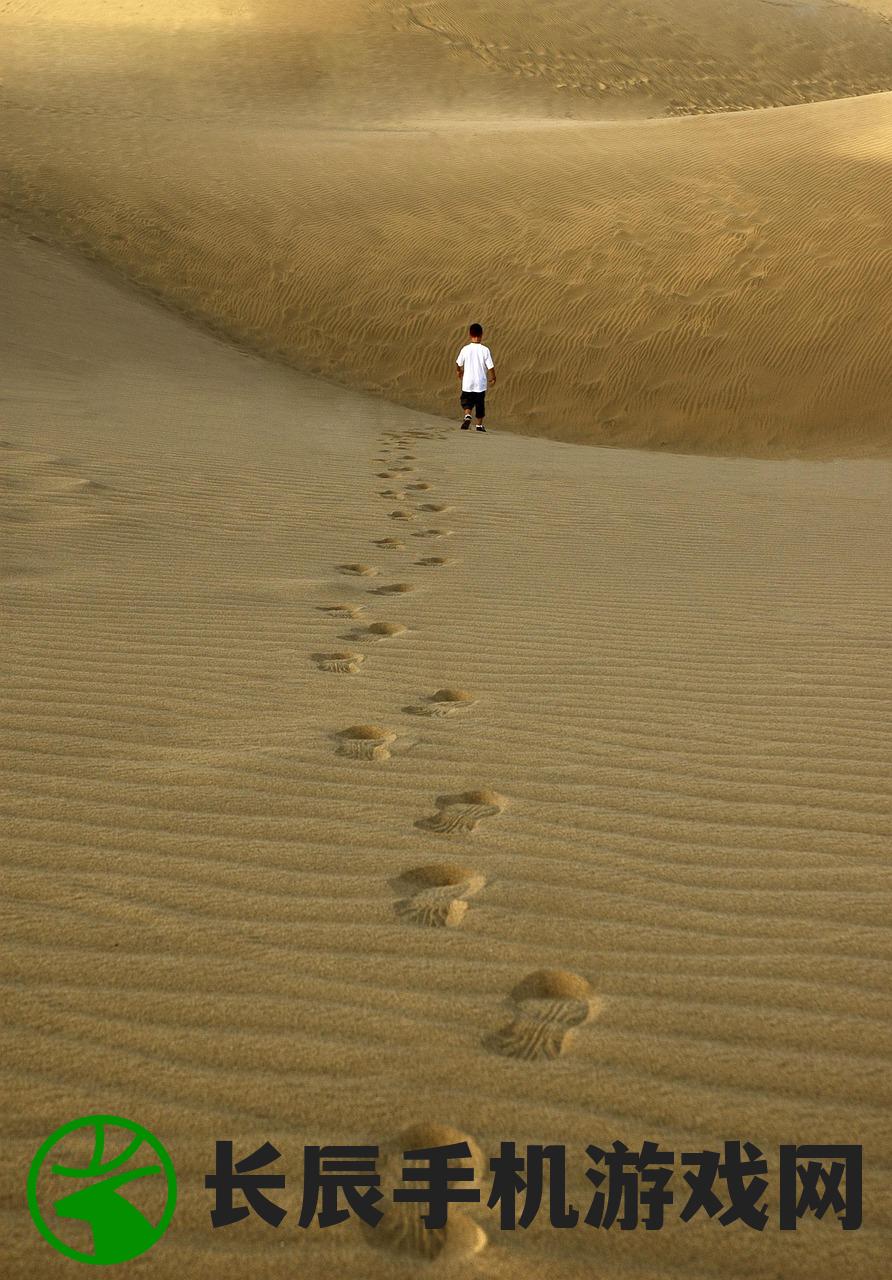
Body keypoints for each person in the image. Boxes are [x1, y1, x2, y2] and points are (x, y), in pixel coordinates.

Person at [455, 323, 496, 431]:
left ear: (470, 334)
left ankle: (467, 415)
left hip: (468, 382)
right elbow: (490, 366)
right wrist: (493, 377)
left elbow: (459, 363)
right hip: (480, 383)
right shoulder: (485, 350)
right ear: (481, 335)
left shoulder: (465, 349)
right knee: (479, 404)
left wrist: (459, 371)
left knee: (466, 401)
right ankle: (479, 425)